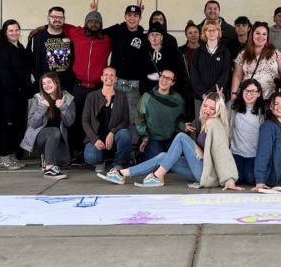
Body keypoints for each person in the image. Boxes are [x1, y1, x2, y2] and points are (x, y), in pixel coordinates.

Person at [100, 93, 240, 190]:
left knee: (181, 137)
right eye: (205, 106)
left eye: (212, 108)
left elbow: (222, 153)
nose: (207, 110)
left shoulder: (214, 123)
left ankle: (157, 176)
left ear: (218, 111)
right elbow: (205, 150)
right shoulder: (203, 122)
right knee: (163, 156)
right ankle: (122, 174)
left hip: (208, 173)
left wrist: (229, 179)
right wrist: (197, 150)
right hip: (201, 169)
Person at [62, 4, 113, 159]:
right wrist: (38, 30)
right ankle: (74, 151)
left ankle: (93, 151)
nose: (94, 24)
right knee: (76, 120)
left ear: (102, 25)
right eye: (91, 21)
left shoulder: (107, 39)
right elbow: (58, 24)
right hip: (79, 87)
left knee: (95, 120)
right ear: (85, 23)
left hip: (97, 89)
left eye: (97, 22)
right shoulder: (76, 33)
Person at [104, 1, 148, 145]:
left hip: (133, 85)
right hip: (115, 83)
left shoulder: (143, 37)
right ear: (124, 16)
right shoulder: (117, 30)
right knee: (112, 117)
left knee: (133, 119)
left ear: (140, 18)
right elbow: (96, 32)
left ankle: (131, 152)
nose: (132, 18)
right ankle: (110, 150)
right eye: (129, 15)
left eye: (136, 15)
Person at [0, 19, 33, 170]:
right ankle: (4, 156)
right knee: (7, 125)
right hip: (7, 97)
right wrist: (15, 89)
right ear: (5, 32)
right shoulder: (2, 49)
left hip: (20, 96)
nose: (14, 33)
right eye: (11, 30)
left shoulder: (20, 47)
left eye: (16, 30)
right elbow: (3, 75)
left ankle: (12, 155)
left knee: (17, 126)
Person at [20, 71, 75, 179]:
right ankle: (49, 167)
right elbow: (33, 124)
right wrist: (42, 108)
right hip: (38, 138)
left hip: (56, 139)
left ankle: (46, 156)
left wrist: (62, 107)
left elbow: (69, 123)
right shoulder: (38, 98)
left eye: (49, 82)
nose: (46, 85)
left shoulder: (67, 98)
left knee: (65, 161)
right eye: (44, 83)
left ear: (56, 83)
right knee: (54, 131)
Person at [81, 66, 132, 173]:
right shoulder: (92, 96)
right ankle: (100, 161)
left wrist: (112, 132)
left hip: (114, 140)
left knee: (125, 134)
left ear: (116, 79)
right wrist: (94, 138)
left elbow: (125, 121)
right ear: (101, 78)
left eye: (112, 75)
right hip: (97, 140)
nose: (109, 77)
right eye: (106, 75)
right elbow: (85, 120)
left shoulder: (122, 96)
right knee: (91, 157)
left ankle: (118, 164)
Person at [135, 68, 187, 159]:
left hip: (170, 138)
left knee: (177, 159)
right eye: (163, 76)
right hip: (152, 138)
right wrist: (145, 137)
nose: (164, 80)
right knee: (159, 161)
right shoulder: (147, 97)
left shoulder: (178, 99)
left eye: (169, 78)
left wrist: (183, 126)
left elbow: (180, 119)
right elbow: (139, 119)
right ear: (159, 78)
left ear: (173, 83)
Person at [231, 21, 281, 99]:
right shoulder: (243, 54)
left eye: (264, 34)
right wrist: (234, 94)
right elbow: (237, 76)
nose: (261, 36)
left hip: (271, 98)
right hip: (248, 98)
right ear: (252, 35)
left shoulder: (275, 53)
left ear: (267, 37)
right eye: (257, 33)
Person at [190, 20, 233, 117]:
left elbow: (225, 75)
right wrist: (203, 94)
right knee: (201, 126)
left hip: (217, 96)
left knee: (217, 125)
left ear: (219, 32)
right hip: (200, 97)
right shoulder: (197, 52)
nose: (212, 32)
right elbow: (194, 75)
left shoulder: (225, 52)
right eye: (208, 30)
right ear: (204, 33)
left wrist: (210, 94)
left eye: (214, 30)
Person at [229, 78, 265, 186]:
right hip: (237, 152)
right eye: (246, 91)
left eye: (253, 91)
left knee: (251, 178)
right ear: (242, 92)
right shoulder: (233, 107)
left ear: (258, 93)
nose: (249, 94)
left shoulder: (263, 111)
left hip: (254, 154)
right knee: (237, 179)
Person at [30, 6, 75, 89]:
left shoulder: (71, 36)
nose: (57, 19)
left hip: (66, 87)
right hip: (44, 87)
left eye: (60, 17)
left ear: (64, 19)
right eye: (54, 17)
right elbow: (30, 60)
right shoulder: (37, 37)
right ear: (48, 18)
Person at [141, 22, 188, 98]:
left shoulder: (171, 52)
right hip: (148, 90)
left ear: (162, 37)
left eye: (157, 34)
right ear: (148, 37)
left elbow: (178, 72)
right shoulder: (143, 52)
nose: (154, 37)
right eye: (152, 34)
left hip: (167, 91)